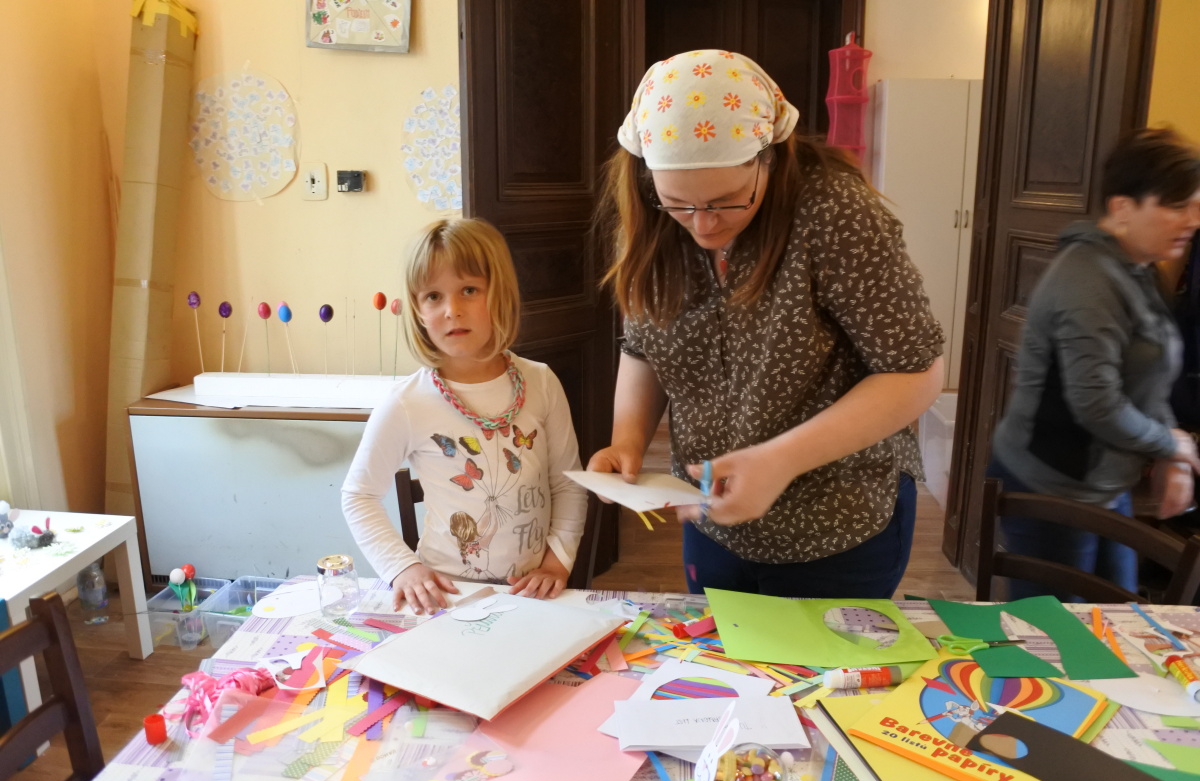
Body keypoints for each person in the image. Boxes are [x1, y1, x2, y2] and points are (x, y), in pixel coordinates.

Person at [587, 49, 945, 599]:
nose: (703, 225)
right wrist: (627, 442)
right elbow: (643, 347)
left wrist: (780, 461)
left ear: (770, 157)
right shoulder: (648, 215)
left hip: (835, 524)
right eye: (678, 203)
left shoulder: (835, 212)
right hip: (712, 520)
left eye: (728, 201)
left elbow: (915, 372)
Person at [989, 128, 1200, 601]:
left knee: (1117, 612)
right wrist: (1173, 444)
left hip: (1102, 480)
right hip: (1051, 484)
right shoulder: (1087, 281)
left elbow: (1151, 375)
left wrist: (1172, 453)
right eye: (1177, 206)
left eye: (1195, 204)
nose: (1193, 219)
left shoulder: (1139, 267)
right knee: (1051, 628)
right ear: (1123, 208)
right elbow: (1097, 404)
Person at [342, 218, 588, 614]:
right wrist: (402, 567)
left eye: (469, 290)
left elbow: (568, 484)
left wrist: (557, 562)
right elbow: (359, 496)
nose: (452, 311)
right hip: (447, 597)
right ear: (418, 310)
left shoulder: (541, 382)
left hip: (534, 596)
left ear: (500, 294)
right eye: (433, 296)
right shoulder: (406, 402)